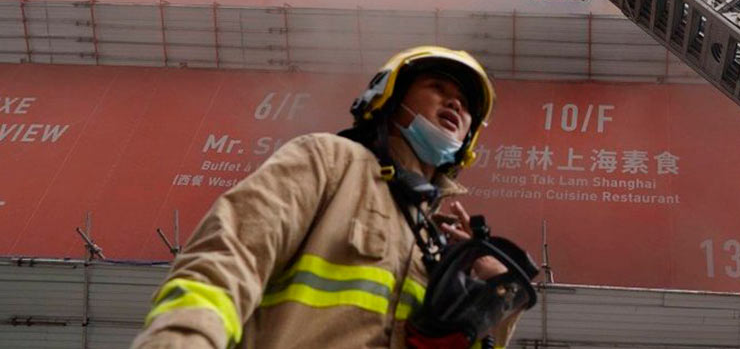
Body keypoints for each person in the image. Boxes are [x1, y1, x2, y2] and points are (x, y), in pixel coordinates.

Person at [131, 46, 535, 349]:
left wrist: (493, 295)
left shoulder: (436, 248)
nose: (455, 103)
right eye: (437, 87)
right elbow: (229, 257)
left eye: (465, 104)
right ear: (389, 99)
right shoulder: (329, 161)